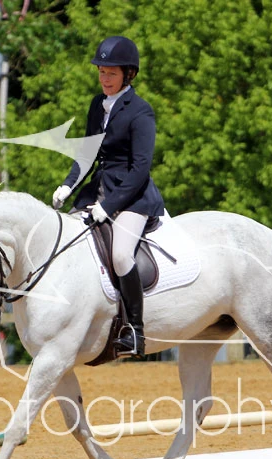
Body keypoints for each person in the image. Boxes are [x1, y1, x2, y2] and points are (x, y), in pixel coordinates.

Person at [53, 35, 165, 358]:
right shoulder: (96, 105)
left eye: (111, 73)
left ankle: (135, 331)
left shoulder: (141, 112)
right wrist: (68, 185)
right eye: (101, 72)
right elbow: (87, 154)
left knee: (120, 255)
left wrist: (110, 205)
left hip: (132, 197)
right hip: (99, 190)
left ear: (128, 74)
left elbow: (140, 169)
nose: (104, 78)